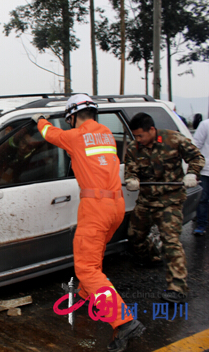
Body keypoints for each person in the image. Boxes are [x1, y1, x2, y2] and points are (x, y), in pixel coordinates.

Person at [34, 94, 145, 352]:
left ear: (72, 116)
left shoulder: (75, 136)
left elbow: (49, 134)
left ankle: (123, 321)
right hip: (115, 205)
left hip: (95, 207)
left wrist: (39, 120)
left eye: (69, 118)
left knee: (86, 268)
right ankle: (88, 295)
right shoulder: (105, 133)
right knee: (93, 258)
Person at [124, 112, 204, 303]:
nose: (138, 139)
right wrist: (132, 179)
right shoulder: (134, 147)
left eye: (141, 135)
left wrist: (192, 173)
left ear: (151, 130)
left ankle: (177, 288)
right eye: (135, 136)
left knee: (171, 241)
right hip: (146, 200)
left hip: (170, 200)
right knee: (135, 237)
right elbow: (131, 168)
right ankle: (152, 259)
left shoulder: (174, 139)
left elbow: (197, 158)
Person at [193, 118, 209, 235]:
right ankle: (201, 225)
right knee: (202, 199)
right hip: (206, 170)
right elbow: (196, 145)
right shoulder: (205, 125)